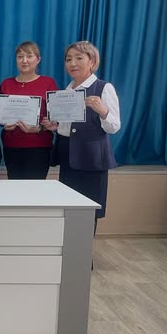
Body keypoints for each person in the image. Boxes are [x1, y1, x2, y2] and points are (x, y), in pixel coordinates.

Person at [42, 41, 121, 222]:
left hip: (91, 158)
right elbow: (69, 126)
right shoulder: (67, 90)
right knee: (69, 206)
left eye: (79, 58)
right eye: (68, 59)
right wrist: (56, 126)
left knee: (88, 210)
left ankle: (85, 241)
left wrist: (103, 111)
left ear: (92, 61)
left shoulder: (103, 88)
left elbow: (114, 126)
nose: (73, 63)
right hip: (67, 153)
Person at [0, 41, 59, 179]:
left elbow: (56, 119)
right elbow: (0, 117)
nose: (24, 60)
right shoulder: (6, 84)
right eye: (20, 57)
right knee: (14, 187)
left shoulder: (48, 83)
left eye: (29, 56)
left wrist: (40, 128)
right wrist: (4, 124)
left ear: (38, 59)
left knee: (34, 189)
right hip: (11, 147)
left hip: (39, 147)